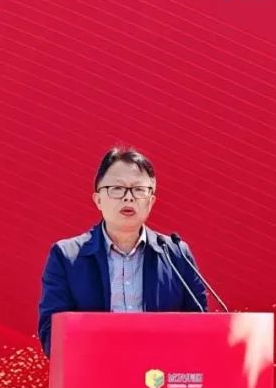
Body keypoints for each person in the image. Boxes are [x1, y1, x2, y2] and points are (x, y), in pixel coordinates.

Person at [37, 147, 208, 356]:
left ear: (151, 201)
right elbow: (52, 334)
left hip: (160, 371)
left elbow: (202, 329)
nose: (128, 198)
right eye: (117, 188)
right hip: (95, 370)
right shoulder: (67, 257)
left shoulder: (176, 255)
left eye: (138, 189)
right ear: (98, 199)